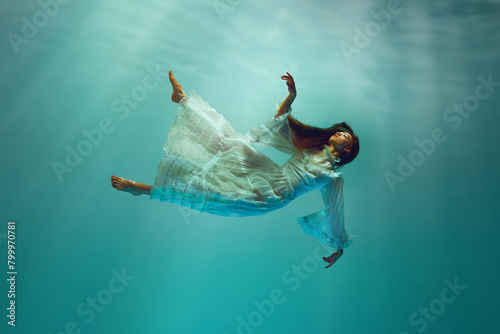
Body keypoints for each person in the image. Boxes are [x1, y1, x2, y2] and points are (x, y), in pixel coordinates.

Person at [111, 71, 360, 268]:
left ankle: (145, 190)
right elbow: (281, 122)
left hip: (273, 196)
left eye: (346, 136)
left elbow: (336, 210)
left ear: (347, 151)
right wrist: (291, 96)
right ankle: (184, 100)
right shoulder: (308, 149)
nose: (340, 132)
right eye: (341, 131)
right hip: (269, 172)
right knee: (228, 140)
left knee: (213, 193)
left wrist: (338, 248)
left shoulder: (332, 177)